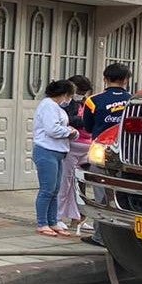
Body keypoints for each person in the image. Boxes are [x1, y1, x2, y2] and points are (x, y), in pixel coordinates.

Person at [81, 63, 134, 243]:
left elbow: (87, 127)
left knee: (101, 196)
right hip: (128, 156)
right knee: (125, 197)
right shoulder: (133, 101)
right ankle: (125, 240)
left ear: (105, 78)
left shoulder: (93, 101)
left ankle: (100, 237)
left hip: (101, 154)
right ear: (126, 80)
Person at [33, 79, 78, 237]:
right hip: (46, 150)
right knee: (47, 189)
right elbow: (52, 129)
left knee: (55, 189)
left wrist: (70, 132)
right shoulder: (48, 106)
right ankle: (42, 223)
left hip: (58, 151)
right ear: (64, 94)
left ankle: (52, 221)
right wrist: (69, 131)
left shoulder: (56, 107)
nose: (70, 99)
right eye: (70, 95)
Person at [56, 74, 93, 233]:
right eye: (79, 91)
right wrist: (82, 120)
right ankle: (57, 216)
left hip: (88, 146)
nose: (81, 94)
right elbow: (66, 120)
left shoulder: (86, 102)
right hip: (72, 146)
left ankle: (78, 217)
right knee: (65, 182)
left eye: (85, 92)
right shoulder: (65, 103)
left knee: (81, 184)